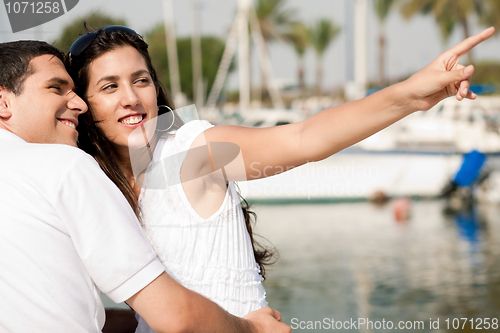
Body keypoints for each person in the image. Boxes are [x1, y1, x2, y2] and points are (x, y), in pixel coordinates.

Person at [67, 25, 494, 332]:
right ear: (84, 104)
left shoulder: (189, 150)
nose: (131, 97)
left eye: (140, 80)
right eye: (109, 86)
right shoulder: (98, 184)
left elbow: (304, 138)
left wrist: (411, 94)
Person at [0, 40, 290, 333]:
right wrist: (255, 330)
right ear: (3, 102)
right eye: (56, 88)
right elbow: (176, 319)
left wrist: (138, 321)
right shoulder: (67, 166)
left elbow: (52, 309)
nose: (78, 104)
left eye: (141, 80)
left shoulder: (185, 149)